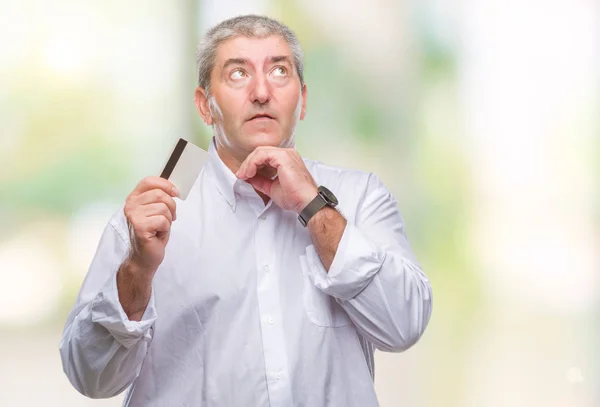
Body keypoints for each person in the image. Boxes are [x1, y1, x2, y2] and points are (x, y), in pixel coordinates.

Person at [60, 14, 432, 407]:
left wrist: (314, 205)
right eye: (238, 74)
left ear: (302, 100)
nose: (261, 91)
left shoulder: (359, 196)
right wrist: (137, 268)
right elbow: (91, 378)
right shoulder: (154, 214)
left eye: (279, 71)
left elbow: (403, 327)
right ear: (206, 106)